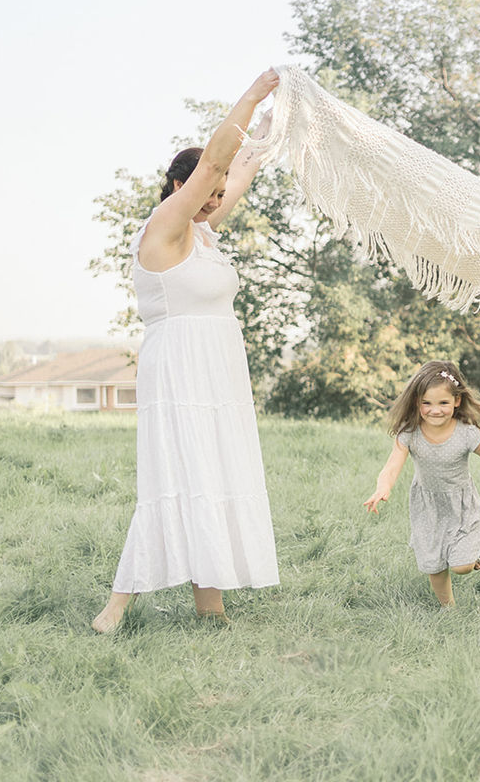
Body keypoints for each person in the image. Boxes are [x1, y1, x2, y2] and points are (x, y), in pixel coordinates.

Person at [92, 68, 282, 634]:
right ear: (182, 187)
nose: (216, 201)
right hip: (179, 369)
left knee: (214, 473)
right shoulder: (167, 228)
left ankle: (211, 606)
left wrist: (280, 119)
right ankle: (116, 608)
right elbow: (221, 161)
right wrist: (253, 95)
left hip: (218, 370)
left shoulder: (202, 232)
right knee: (179, 475)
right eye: (207, 192)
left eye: (218, 198)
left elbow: (242, 166)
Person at [364, 360, 480, 607]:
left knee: (461, 567)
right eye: (426, 403)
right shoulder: (410, 433)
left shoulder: (465, 434)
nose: (434, 410)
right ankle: (449, 609)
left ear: (457, 402)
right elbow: (391, 466)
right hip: (427, 507)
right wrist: (382, 487)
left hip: (461, 506)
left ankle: (477, 552)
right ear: (416, 402)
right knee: (434, 564)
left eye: (443, 403)